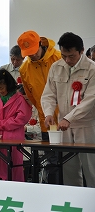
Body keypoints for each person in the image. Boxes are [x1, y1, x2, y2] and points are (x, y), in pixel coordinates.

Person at [41, 32, 95, 187]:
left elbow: (90, 100)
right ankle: (72, 204)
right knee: (68, 169)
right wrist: (49, 113)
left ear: (82, 51)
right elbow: (48, 94)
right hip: (63, 127)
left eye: (71, 56)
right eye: (64, 55)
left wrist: (69, 118)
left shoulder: (92, 69)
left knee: (91, 169)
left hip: (86, 125)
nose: (67, 60)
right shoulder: (56, 67)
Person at [17, 30, 61, 184]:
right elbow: (32, 97)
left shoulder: (59, 58)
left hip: (67, 120)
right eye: (28, 53)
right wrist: (45, 113)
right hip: (47, 123)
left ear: (40, 44)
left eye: (34, 51)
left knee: (71, 161)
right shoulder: (24, 69)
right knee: (51, 162)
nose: (32, 55)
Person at [0, 69, 32, 181]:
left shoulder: (20, 99)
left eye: (1, 88)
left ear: (8, 84)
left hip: (13, 140)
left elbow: (20, 119)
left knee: (13, 168)